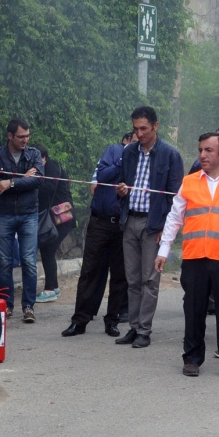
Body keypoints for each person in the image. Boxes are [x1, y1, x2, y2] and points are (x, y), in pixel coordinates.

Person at [155, 132, 219, 380]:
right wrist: (163, 250)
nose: (202, 154)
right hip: (194, 257)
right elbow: (174, 218)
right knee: (193, 309)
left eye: (209, 150)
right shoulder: (189, 181)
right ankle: (192, 358)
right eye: (201, 149)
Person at [116, 106, 184, 349]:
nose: (139, 133)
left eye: (143, 128)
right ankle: (134, 327)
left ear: (156, 126)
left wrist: (166, 231)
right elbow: (122, 184)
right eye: (135, 129)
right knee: (132, 279)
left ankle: (145, 330)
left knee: (150, 279)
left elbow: (175, 197)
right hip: (130, 220)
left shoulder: (170, 155)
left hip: (153, 224)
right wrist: (121, 192)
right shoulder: (129, 152)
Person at [63, 132, 133, 338]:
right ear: (125, 141)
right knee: (90, 271)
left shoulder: (141, 161)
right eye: (132, 140)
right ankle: (80, 320)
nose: (136, 142)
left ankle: (112, 320)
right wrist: (123, 162)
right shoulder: (113, 151)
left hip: (122, 224)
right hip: (100, 220)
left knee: (119, 275)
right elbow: (102, 176)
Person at [0, 119, 44, 322]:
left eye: (28, 136)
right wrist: (23, 178)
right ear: (10, 136)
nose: (25, 140)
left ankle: (29, 306)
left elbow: (37, 180)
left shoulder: (34, 154)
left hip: (29, 213)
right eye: (21, 136)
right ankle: (6, 304)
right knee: (3, 262)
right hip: (3, 214)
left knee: (29, 260)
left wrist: (10, 182)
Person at [33, 142, 72, 303]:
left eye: (38, 159)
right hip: (53, 218)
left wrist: (30, 183)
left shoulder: (52, 166)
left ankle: (50, 289)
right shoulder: (41, 168)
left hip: (61, 217)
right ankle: (53, 286)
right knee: (48, 250)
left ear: (45, 157)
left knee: (48, 250)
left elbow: (49, 187)